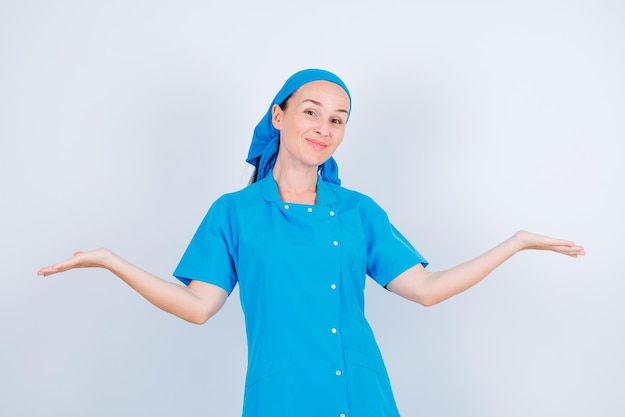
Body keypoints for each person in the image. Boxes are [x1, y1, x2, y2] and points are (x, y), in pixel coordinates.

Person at [38, 69, 585, 417]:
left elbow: (425, 289)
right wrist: (112, 261)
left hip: (362, 398)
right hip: (281, 400)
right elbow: (198, 307)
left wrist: (512, 244)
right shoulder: (235, 213)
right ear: (279, 117)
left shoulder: (357, 211)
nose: (325, 127)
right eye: (311, 112)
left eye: (338, 120)